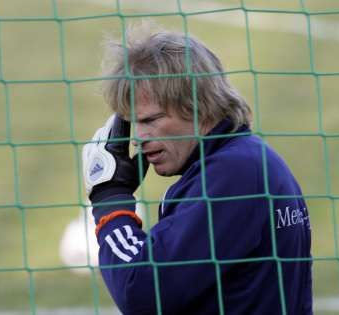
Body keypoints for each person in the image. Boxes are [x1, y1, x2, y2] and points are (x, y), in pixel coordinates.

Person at [82, 22, 312, 315]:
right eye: (132, 122)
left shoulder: (233, 177)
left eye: (151, 120)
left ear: (199, 107)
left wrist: (110, 201)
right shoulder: (244, 161)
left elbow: (140, 290)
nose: (137, 138)